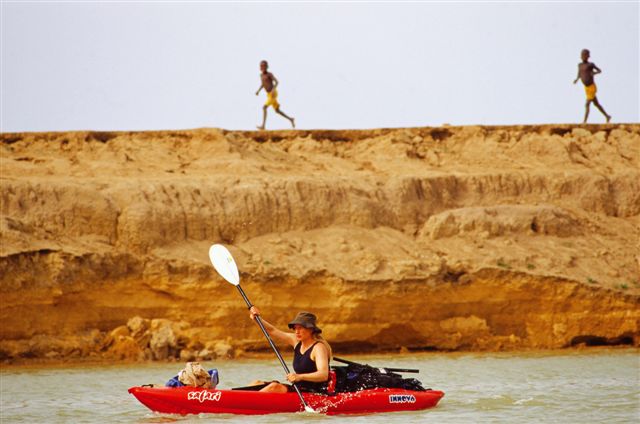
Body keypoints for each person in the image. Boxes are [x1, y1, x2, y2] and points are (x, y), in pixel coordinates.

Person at [247, 307, 331, 393]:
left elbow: (323, 375)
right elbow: (272, 330)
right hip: (297, 388)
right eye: (295, 328)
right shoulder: (296, 341)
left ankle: (245, 402)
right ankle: (238, 400)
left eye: (300, 328)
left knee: (274, 387)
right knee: (256, 383)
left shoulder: (319, 348)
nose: (297, 332)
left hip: (312, 392)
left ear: (311, 329)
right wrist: (257, 318)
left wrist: (299, 377)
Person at [573, 49, 611, 123]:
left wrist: (594, 73)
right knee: (596, 104)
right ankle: (607, 116)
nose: (583, 57)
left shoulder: (590, 65)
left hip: (591, 87)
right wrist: (576, 79)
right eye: (582, 55)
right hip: (586, 88)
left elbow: (599, 70)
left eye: (585, 55)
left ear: (588, 56)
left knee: (587, 104)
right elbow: (579, 74)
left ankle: (584, 121)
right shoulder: (580, 65)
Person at [255, 60, 295, 130]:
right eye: (261, 66)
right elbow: (263, 84)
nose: (262, 67)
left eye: (264, 66)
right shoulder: (261, 75)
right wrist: (258, 90)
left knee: (264, 107)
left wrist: (273, 89)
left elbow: (276, 82)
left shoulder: (269, 74)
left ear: (267, 67)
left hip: (273, 94)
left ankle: (263, 126)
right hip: (268, 94)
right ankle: (291, 119)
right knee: (277, 110)